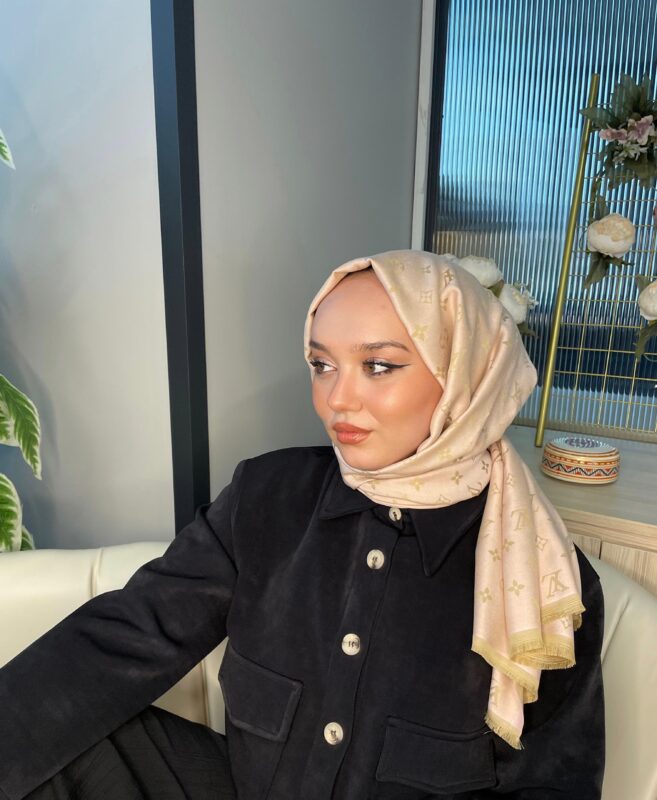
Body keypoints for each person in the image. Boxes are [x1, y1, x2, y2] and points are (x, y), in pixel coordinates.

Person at [0, 249, 605, 800]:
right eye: (322, 364)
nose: (337, 399)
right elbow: (130, 635)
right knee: (64, 739)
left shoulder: (541, 579)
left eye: (378, 365)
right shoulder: (268, 496)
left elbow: (553, 783)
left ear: (467, 373)